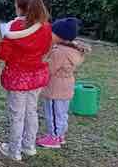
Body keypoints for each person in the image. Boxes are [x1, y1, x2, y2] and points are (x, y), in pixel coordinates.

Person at [0, 0, 52, 161]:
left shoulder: (14, 28)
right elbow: (45, 49)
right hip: (36, 77)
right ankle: (29, 146)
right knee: (31, 111)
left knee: (17, 115)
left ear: (21, 8)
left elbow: (3, 54)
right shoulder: (45, 27)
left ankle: (14, 150)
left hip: (18, 78)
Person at [37, 18, 90, 149]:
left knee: (53, 114)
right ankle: (60, 135)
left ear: (60, 36)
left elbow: (49, 69)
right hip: (66, 86)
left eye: (52, 32)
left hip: (55, 88)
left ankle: (54, 138)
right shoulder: (73, 50)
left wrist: (43, 60)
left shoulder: (59, 52)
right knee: (61, 113)